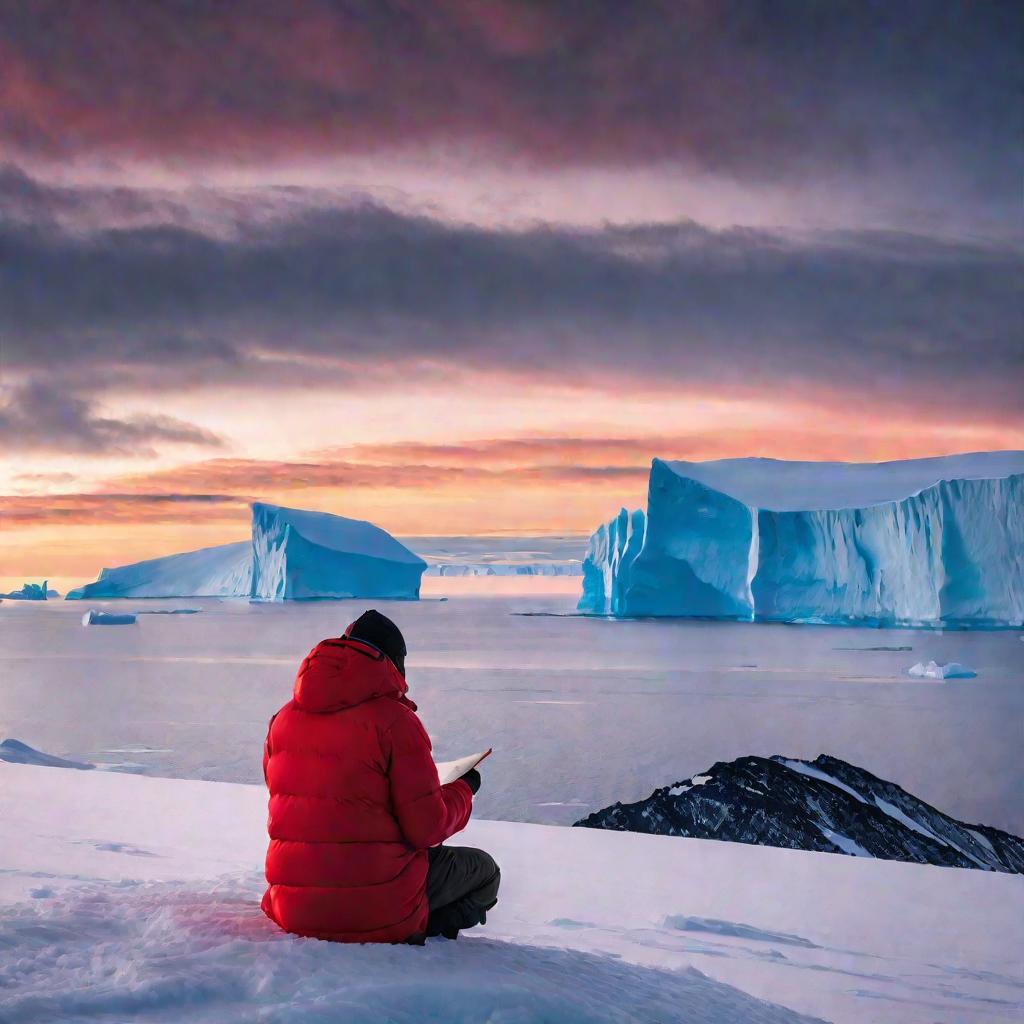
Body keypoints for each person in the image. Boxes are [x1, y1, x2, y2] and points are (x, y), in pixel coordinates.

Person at [261, 609, 500, 943]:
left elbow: (289, 792)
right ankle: (415, 932)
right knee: (484, 871)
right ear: (393, 663)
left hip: (293, 909)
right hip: (374, 911)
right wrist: (464, 788)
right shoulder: (395, 723)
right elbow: (427, 828)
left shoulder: (283, 720)